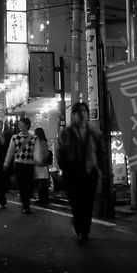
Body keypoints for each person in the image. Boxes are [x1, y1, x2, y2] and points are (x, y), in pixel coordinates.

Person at [58, 102, 105, 244]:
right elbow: (61, 154)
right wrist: (65, 171)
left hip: (89, 173)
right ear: (73, 115)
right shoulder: (67, 132)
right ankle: (79, 227)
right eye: (78, 112)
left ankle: (84, 231)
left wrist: (99, 170)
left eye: (84, 111)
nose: (82, 114)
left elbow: (101, 152)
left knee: (88, 203)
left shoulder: (95, 132)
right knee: (76, 203)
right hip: (72, 174)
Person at [4, 117, 36, 214]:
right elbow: (10, 151)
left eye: (21, 123)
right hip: (19, 164)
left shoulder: (34, 138)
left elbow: (36, 152)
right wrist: (6, 163)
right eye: (19, 123)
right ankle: (26, 205)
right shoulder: (15, 137)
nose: (19, 125)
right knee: (22, 185)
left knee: (30, 185)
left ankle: (26, 202)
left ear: (26, 125)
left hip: (30, 165)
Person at [33, 127, 51, 205]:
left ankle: (44, 199)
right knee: (41, 183)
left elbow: (45, 154)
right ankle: (42, 198)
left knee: (43, 183)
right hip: (41, 165)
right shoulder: (41, 142)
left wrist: (39, 160)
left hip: (42, 165)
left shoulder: (42, 142)